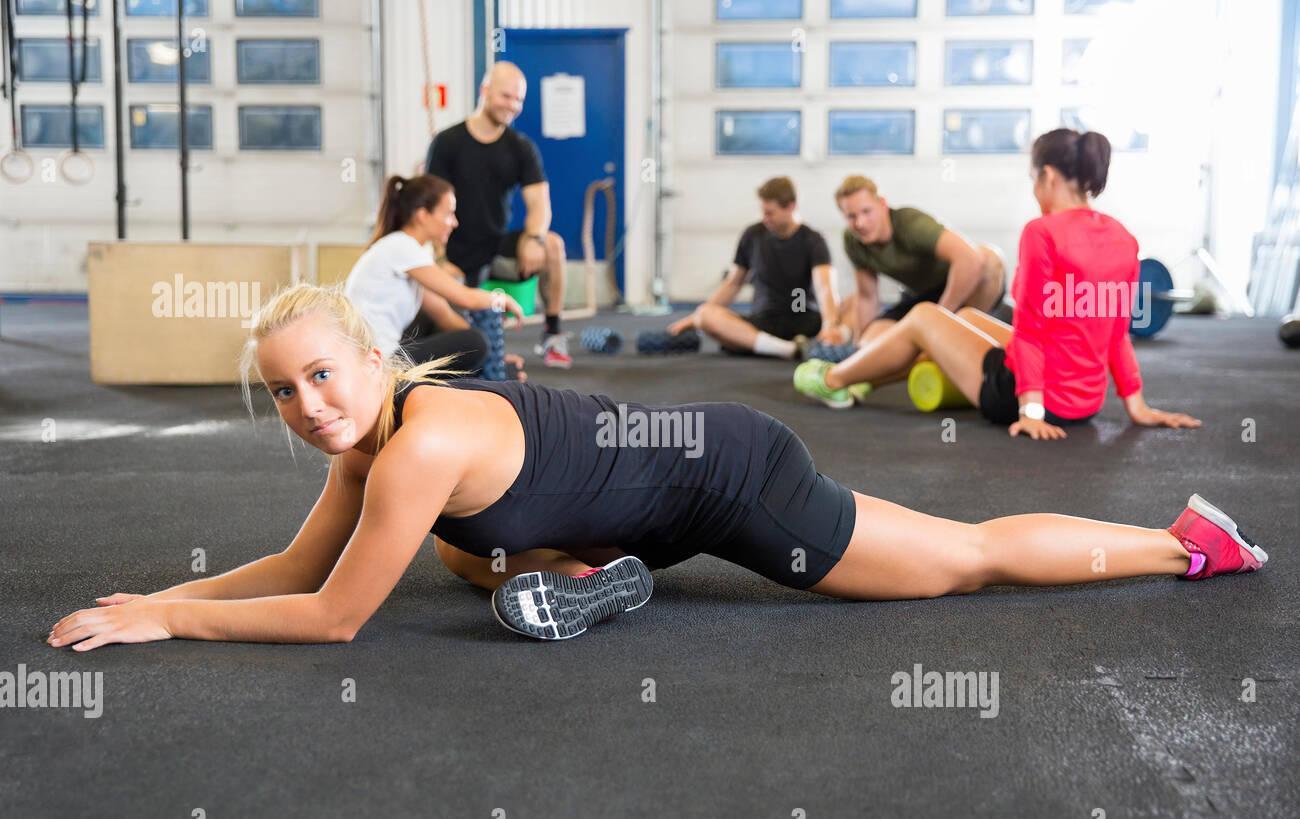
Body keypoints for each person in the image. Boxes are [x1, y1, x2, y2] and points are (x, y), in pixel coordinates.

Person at [46, 283, 1266, 651]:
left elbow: (332, 612)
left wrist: (170, 624)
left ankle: (1182, 543)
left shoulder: (415, 447)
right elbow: (302, 559)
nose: (309, 407)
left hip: (732, 480)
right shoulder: (382, 429)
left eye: (323, 375)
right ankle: (597, 568)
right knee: (479, 553)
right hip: (673, 464)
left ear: (372, 358)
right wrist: (163, 594)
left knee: (962, 561)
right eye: (285, 391)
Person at [793, 128, 1202, 437]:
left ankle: (831, 380)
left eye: (1033, 180)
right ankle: (860, 381)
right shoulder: (1123, 238)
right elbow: (1117, 335)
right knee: (968, 316)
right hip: (1085, 405)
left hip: (1023, 396)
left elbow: (1028, 332)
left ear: (1048, 176)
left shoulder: (1042, 231)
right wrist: (1138, 406)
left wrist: (1032, 413)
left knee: (923, 316)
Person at [424, 61, 572, 369]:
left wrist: (534, 238)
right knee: (464, 347)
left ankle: (552, 334)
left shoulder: (521, 147)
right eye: (507, 97)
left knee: (553, 246)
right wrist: (439, 259)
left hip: (497, 248)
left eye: (519, 100)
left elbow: (540, 204)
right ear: (485, 91)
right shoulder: (448, 143)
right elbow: (431, 209)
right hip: (457, 252)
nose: (513, 106)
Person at [345, 173, 526, 377]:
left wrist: (494, 358)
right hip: (377, 359)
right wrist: (503, 299)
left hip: (382, 353)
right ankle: (484, 379)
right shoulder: (401, 246)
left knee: (471, 341)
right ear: (422, 215)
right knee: (475, 342)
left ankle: (489, 373)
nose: (454, 222)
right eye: (449, 214)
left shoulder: (413, 252)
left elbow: (443, 315)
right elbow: (464, 297)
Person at [664, 176, 837, 359]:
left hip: (803, 318)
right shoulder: (753, 235)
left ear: (790, 207)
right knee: (705, 315)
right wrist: (695, 318)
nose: (764, 219)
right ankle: (788, 350)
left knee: (850, 306)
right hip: (763, 322)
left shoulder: (813, 240)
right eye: (762, 212)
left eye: (770, 213)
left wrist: (830, 325)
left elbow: (824, 286)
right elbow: (732, 284)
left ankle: (772, 345)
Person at [829, 174, 1008, 350]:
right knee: (871, 340)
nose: (860, 223)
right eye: (851, 217)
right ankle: (928, 352)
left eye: (867, 212)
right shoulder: (853, 240)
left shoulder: (909, 223)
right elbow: (867, 296)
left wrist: (939, 320)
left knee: (990, 259)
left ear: (882, 204)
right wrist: (859, 348)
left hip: (959, 291)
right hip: (921, 298)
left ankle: (967, 340)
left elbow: (970, 259)